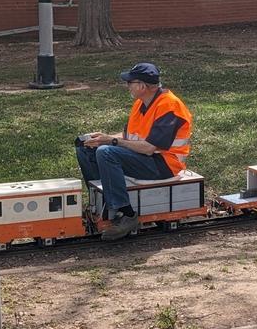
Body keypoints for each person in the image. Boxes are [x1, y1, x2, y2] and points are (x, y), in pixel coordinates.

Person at [76, 62, 194, 240]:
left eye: (130, 82)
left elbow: (148, 148)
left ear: (142, 86)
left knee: (106, 152)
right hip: (145, 158)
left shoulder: (170, 106)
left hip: (164, 165)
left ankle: (127, 214)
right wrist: (101, 138)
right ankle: (103, 203)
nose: (127, 86)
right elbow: (130, 136)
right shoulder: (141, 103)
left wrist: (112, 141)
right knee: (86, 148)